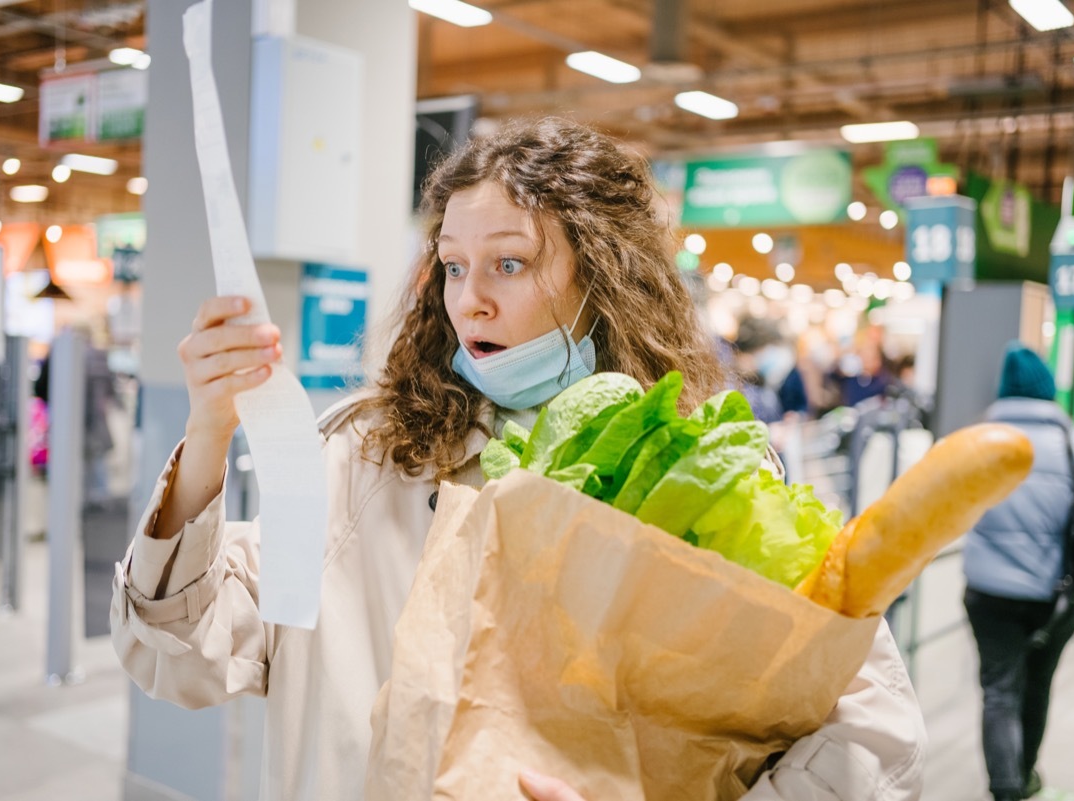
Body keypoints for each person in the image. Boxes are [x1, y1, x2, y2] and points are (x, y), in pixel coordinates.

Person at [111, 118, 926, 801]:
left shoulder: (705, 473)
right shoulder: (366, 457)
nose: (470, 299)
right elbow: (180, 651)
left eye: (510, 262)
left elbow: (873, 731)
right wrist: (211, 429)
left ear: (604, 277)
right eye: (454, 267)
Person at [962, 342, 1074, 801]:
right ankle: (1027, 772)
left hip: (986, 593)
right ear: (1048, 390)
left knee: (998, 691)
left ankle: (1004, 789)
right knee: (1036, 686)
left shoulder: (975, 441)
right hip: (1053, 596)